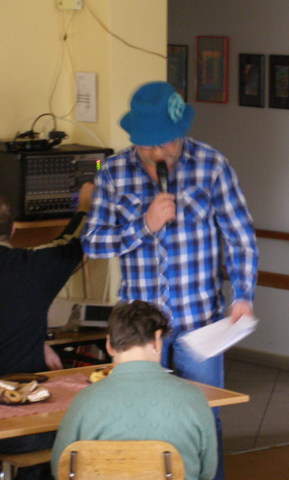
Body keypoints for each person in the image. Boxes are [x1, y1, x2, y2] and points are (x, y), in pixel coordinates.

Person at [81, 81, 258, 480]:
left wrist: (243, 294)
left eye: (165, 143)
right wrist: (144, 225)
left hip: (200, 321)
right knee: (141, 419)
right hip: (139, 329)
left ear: (180, 133)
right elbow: (93, 243)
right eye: (147, 145)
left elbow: (240, 237)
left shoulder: (211, 165)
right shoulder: (113, 173)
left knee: (204, 418)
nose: (157, 154)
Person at [50, 300, 217, 480]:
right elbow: (207, 471)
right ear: (157, 340)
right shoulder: (193, 397)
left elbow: (60, 467)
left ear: (109, 345)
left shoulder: (84, 400)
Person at [0, 182, 94, 480]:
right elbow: (72, 242)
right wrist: (84, 205)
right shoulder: (33, 267)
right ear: (13, 229)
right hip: (19, 431)